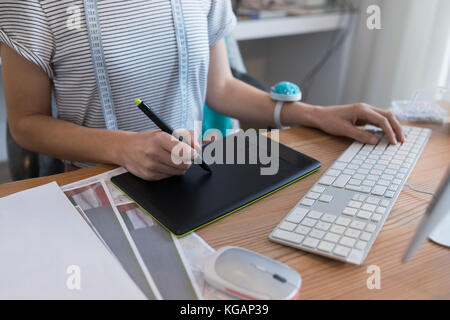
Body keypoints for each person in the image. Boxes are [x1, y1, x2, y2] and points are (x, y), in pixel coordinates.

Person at [0, 0, 405, 181]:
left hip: (195, 177)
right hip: (96, 188)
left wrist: (313, 114)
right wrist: (123, 147)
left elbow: (223, 89)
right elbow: (26, 124)